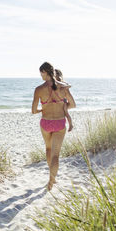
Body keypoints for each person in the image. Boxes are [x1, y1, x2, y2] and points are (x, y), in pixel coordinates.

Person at [32, 62, 76, 190]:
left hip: (45, 123)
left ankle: (52, 177)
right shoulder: (63, 87)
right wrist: (63, 108)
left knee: (48, 149)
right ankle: (51, 180)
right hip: (59, 122)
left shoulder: (39, 89)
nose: (40, 75)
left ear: (45, 72)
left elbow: (34, 110)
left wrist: (43, 108)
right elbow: (73, 104)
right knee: (56, 155)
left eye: (41, 73)